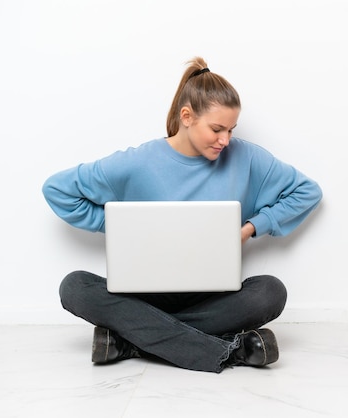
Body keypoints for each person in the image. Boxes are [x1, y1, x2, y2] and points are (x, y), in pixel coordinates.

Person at [41, 57, 322, 373]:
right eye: (216, 129)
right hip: (146, 294)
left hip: (212, 295)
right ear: (187, 116)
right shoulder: (138, 162)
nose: (225, 140)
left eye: (231, 129)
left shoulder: (247, 158)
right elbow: (58, 190)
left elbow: (307, 192)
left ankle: (131, 340)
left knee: (271, 292)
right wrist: (120, 228)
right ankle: (229, 351)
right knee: (74, 286)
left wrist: (249, 229)